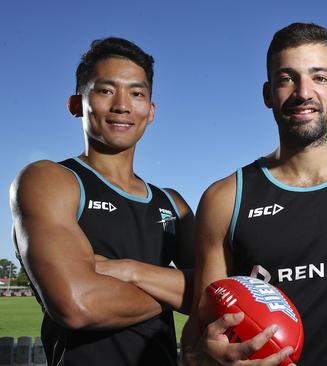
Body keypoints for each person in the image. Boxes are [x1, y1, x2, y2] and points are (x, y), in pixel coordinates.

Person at [181, 23, 327, 366]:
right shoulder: (225, 198)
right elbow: (197, 336)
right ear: (268, 94)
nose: (303, 92)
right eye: (287, 78)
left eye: (319, 77)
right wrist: (206, 356)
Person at [10, 37, 194, 366]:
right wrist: (175, 292)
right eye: (106, 90)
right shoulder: (50, 181)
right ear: (76, 104)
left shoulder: (173, 203)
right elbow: (78, 305)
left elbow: (212, 290)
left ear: (150, 111)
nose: (122, 105)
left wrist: (127, 270)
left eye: (137, 93)